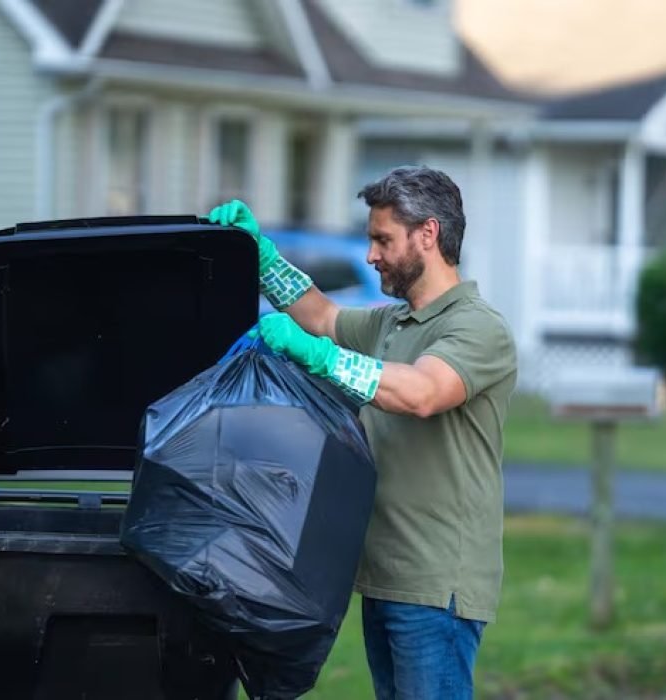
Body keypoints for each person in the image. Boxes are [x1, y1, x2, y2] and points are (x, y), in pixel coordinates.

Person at [208, 165, 517, 700]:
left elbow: (421, 392)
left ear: (428, 234)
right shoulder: (391, 324)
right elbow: (322, 316)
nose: (371, 254)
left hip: (437, 584)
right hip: (384, 577)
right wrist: (260, 255)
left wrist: (324, 359)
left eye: (382, 240)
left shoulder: (476, 327)